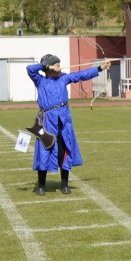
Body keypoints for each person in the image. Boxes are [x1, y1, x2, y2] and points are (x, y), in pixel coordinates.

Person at [26, 54, 112, 194]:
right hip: (48, 120)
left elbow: (81, 75)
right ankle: (41, 186)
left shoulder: (63, 78)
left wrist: (100, 68)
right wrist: (45, 65)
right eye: (57, 65)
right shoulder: (40, 81)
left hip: (64, 119)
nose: (60, 67)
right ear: (49, 67)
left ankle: (64, 184)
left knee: (64, 149)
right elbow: (29, 69)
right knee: (44, 150)